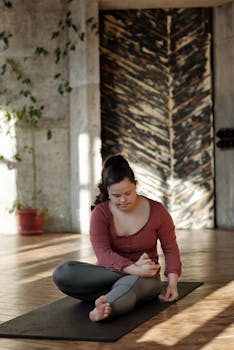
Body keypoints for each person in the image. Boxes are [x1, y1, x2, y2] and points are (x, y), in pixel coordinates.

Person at [53, 155, 182, 322]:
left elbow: (170, 248)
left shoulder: (157, 211)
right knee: (64, 273)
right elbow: (103, 253)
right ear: (107, 191)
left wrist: (172, 284)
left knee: (130, 284)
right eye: (116, 195)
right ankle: (117, 290)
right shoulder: (101, 213)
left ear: (135, 185)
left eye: (128, 193)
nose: (122, 200)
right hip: (110, 273)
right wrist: (135, 268)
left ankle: (105, 307)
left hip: (145, 279)